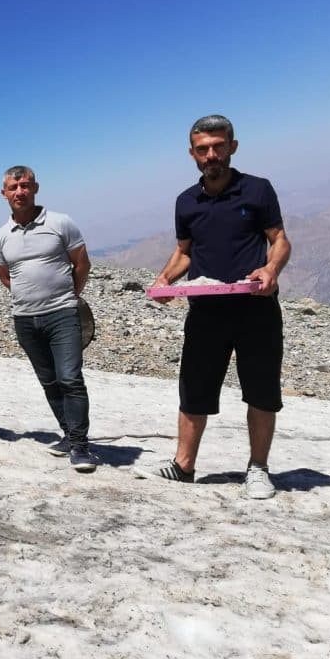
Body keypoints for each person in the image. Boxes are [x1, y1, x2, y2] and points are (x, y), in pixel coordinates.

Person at [135, 115, 291, 499]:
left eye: (218, 146)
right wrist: (164, 280)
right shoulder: (186, 201)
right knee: (194, 389)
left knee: (261, 390)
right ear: (192, 154)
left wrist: (271, 269)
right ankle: (183, 466)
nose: (211, 155)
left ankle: (258, 469)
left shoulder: (257, 189)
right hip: (205, 312)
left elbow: (279, 240)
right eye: (202, 149)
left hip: (256, 308)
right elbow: (184, 252)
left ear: (232, 147)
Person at [0, 166, 98, 472]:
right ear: (4, 193)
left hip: (62, 314)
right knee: (49, 380)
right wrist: (29, 295)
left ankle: (80, 445)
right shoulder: (1, 236)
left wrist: (68, 296)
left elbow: (82, 263)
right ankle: (69, 434)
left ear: (35, 188)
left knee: (70, 378)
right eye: (13, 187)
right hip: (25, 319)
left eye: (25, 185)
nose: (20, 192)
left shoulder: (60, 223)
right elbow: (5, 275)